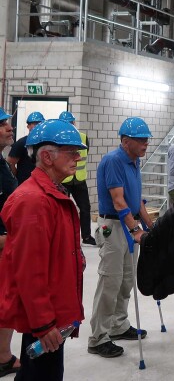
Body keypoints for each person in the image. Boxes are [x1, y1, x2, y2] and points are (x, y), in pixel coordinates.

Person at [0, 119, 87, 380]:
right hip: (45, 319)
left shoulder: (53, 192)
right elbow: (29, 270)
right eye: (71, 152)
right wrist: (43, 323)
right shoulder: (33, 201)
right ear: (47, 157)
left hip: (55, 310)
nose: (77, 158)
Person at [88, 117, 154, 358]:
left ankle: (118, 324)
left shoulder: (134, 161)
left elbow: (137, 200)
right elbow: (118, 201)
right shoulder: (114, 160)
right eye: (141, 140)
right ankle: (98, 337)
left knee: (126, 279)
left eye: (147, 139)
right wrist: (135, 229)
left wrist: (150, 225)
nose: (146, 144)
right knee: (111, 281)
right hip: (114, 225)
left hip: (128, 223)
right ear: (126, 141)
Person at [0, 108, 20, 378]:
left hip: (7, 243)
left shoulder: (2, 162)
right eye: (3, 124)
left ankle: (3, 355)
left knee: (6, 302)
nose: (9, 128)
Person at [58, 111, 95, 246]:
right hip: (63, 180)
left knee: (85, 208)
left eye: (70, 123)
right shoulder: (57, 138)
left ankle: (86, 236)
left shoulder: (83, 137)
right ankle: (63, 236)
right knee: (63, 210)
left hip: (79, 179)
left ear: (74, 123)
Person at [7, 111, 44, 185]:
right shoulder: (22, 143)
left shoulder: (45, 143)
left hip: (40, 183)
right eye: (35, 123)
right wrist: (16, 179)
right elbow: (10, 163)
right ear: (28, 126)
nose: (38, 126)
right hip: (24, 183)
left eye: (40, 123)